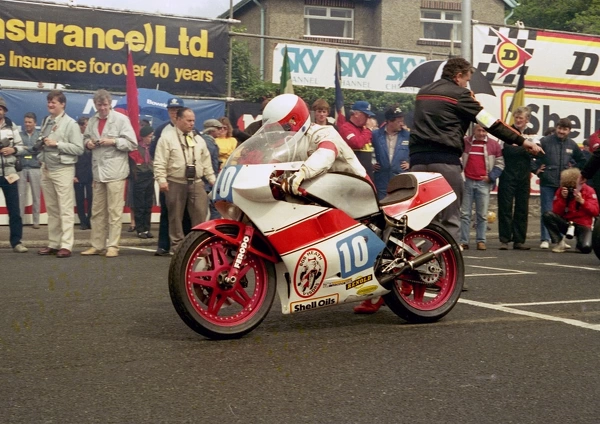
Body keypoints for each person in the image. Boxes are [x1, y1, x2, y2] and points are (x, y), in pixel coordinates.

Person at [409, 57, 541, 245]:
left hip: (417, 162)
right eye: (467, 79)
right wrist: (522, 140)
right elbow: (490, 122)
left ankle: (413, 258)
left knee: (420, 216)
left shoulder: (423, 92)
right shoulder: (461, 94)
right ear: (458, 76)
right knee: (451, 216)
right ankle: (448, 265)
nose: (467, 83)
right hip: (445, 160)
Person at [264, 94, 368, 198]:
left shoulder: (324, 132)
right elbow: (276, 161)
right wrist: (266, 173)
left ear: (293, 121)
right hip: (328, 191)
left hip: (357, 190)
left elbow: (326, 153)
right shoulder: (292, 140)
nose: (276, 133)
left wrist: (302, 173)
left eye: (280, 128)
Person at [81, 89, 137, 258]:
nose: (103, 108)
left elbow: (132, 143)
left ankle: (113, 245)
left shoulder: (121, 119)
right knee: (97, 211)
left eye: (105, 104)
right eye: (99, 105)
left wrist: (113, 141)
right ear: (95, 105)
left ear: (110, 104)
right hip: (98, 172)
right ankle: (97, 245)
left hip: (116, 172)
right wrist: (88, 143)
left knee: (114, 211)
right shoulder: (92, 120)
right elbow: (85, 139)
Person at [153, 108, 216, 252]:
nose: (192, 123)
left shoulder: (198, 138)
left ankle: (200, 247)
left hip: (196, 182)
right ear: (178, 119)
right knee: (175, 217)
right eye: (188, 120)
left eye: (193, 120)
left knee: (200, 214)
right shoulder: (167, 138)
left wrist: (212, 179)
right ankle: (178, 248)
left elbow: (206, 162)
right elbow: (160, 161)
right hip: (175, 181)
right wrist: (161, 179)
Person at [37, 90, 84, 258]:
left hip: (63, 169)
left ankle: (66, 245)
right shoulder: (46, 121)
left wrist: (58, 144)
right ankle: (54, 243)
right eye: (49, 101)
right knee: (52, 209)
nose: (50, 104)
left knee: (65, 209)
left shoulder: (71, 123)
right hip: (46, 168)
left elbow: (79, 148)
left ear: (63, 104)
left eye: (53, 102)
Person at [534, 118, 586, 249]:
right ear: (556, 127)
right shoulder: (545, 141)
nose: (561, 131)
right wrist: (536, 169)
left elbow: (582, 160)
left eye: (565, 129)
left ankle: (560, 239)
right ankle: (545, 239)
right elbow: (530, 156)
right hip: (547, 182)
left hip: (564, 184)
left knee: (562, 213)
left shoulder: (572, 144)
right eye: (560, 128)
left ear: (569, 131)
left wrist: (572, 170)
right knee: (547, 211)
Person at [149, 97, 185, 256]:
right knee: (166, 211)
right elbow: (153, 151)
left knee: (184, 213)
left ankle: (184, 246)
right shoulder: (161, 129)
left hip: (185, 178)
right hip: (168, 177)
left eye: (177, 110)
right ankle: (163, 244)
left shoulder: (191, 129)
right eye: (171, 110)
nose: (174, 112)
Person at [459, 124, 504, 251]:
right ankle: (463, 241)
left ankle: (481, 241)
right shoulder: (465, 142)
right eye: (479, 130)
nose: (482, 133)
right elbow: (458, 159)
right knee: (465, 214)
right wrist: (461, 175)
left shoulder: (494, 145)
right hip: (467, 181)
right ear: (474, 130)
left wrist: (491, 177)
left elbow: (500, 164)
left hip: (484, 183)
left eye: (484, 131)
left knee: (482, 215)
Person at [498, 106, 535, 250]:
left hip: (524, 175)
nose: (518, 120)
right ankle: (504, 240)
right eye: (517, 118)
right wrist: (526, 148)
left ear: (527, 120)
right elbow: (506, 151)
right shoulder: (507, 131)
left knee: (522, 208)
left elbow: (537, 152)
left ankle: (519, 240)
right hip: (508, 174)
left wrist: (522, 149)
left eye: (521, 118)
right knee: (505, 207)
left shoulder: (532, 134)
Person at [542, 168, 599, 253]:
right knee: (547, 215)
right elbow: (556, 212)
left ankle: (580, 242)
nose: (571, 189)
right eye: (569, 187)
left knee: (585, 248)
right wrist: (563, 199)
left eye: (573, 187)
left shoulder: (589, 190)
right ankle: (559, 241)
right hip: (567, 223)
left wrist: (582, 202)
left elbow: (595, 211)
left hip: (583, 224)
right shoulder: (561, 191)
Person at [0, 96, 28, 253]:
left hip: (10, 173)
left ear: (4, 111)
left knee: (15, 210)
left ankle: (17, 242)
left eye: (1, 108)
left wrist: (13, 150)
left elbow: (22, 147)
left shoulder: (12, 127)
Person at [371, 106, 410, 200]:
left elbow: (416, 151)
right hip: (381, 179)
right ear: (389, 121)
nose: (402, 124)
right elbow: (367, 150)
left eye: (402, 121)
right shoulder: (375, 135)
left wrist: (410, 163)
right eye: (399, 121)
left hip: (401, 178)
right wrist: (371, 164)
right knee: (382, 205)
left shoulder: (408, 135)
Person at [336, 100, 376, 180]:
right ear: (356, 114)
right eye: (366, 115)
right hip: (353, 175)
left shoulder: (364, 130)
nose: (368, 119)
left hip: (367, 174)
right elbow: (357, 143)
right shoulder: (346, 128)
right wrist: (368, 129)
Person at [17, 112, 42, 229]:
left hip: (35, 168)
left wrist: (27, 149)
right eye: (26, 122)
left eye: (30, 122)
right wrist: (31, 150)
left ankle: (36, 221)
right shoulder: (20, 135)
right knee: (20, 196)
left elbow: (39, 150)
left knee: (36, 195)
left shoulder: (39, 135)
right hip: (22, 168)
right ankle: (19, 221)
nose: (27, 124)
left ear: (34, 123)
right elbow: (19, 150)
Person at [130, 125, 155, 239]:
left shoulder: (152, 148)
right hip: (139, 177)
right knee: (139, 205)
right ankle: (140, 229)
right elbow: (134, 164)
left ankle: (147, 228)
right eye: (149, 136)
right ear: (143, 137)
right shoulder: (136, 148)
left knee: (148, 204)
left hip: (150, 176)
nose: (151, 138)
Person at [74, 116, 93, 230]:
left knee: (92, 198)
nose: (88, 127)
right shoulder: (75, 138)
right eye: (86, 125)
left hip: (90, 173)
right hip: (78, 174)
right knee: (79, 199)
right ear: (81, 126)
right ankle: (82, 221)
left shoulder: (92, 139)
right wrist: (73, 175)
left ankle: (90, 220)